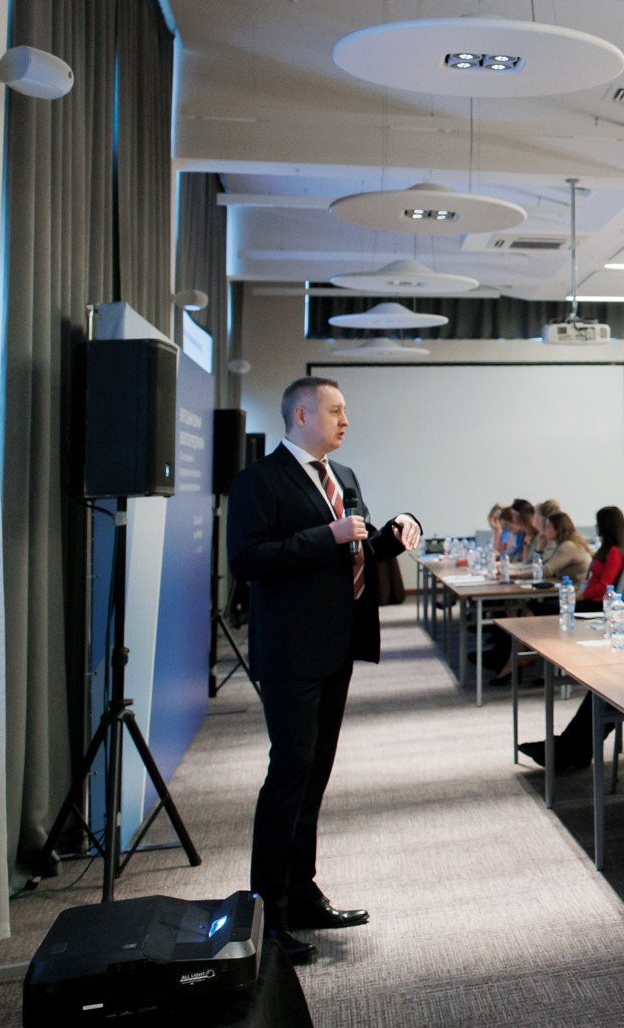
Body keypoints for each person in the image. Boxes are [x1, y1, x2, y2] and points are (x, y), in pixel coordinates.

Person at [227, 376, 422, 964]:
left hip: (337, 647)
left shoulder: (345, 478)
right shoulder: (259, 480)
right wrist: (325, 536)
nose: (346, 420)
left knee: (315, 775)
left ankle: (302, 891)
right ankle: (269, 913)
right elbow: (248, 560)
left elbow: (356, 548)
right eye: (337, 411)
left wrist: (397, 532)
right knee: (288, 775)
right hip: (289, 652)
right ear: (302, 413)